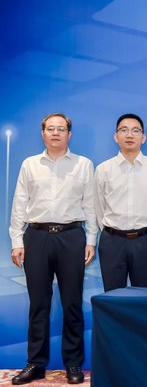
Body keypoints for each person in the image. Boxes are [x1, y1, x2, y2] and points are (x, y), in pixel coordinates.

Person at [9, 113, 96, 385]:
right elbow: (19, 203)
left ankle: (73, 364)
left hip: (71, 236)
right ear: (43, 133)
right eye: (50, 128)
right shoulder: (30, 164)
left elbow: (91, 205)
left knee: (72, 303)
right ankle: (35, 363)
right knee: (38, 304)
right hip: (36, 237)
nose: (55, 132)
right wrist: (16, 241)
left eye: (61, 128)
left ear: (69, 134)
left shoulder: (83, 164)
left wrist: (91, 240)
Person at [94, 113, 147, 292]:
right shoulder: (103, 169)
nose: (129, 135)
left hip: (144, 241)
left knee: (145, 295)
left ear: (143, 137)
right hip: (112, 241)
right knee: (112, 295)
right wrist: (113, 231)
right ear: (116, 136)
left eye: (135, 130)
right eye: (124, 130)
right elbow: (98, 207)